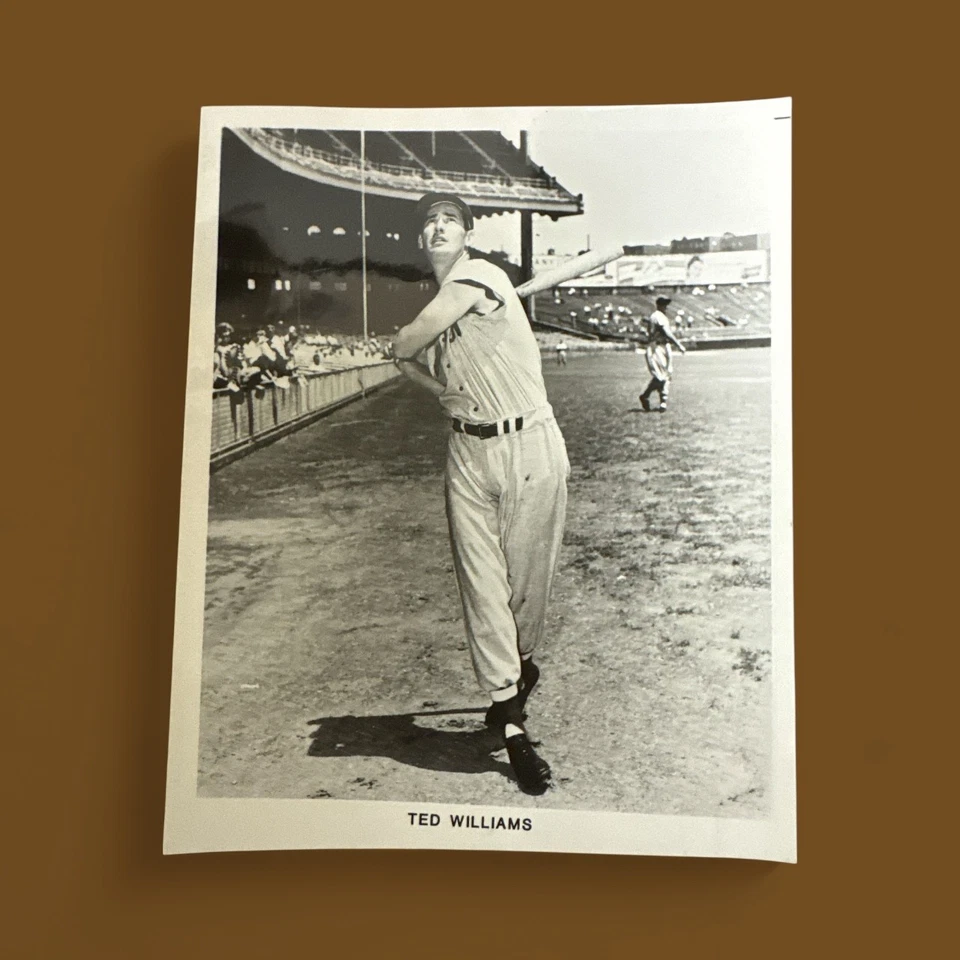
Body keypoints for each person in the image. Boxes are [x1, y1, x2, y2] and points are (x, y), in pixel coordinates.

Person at [392, 193, 570, 796]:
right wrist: (439, 391)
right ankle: (511, 722)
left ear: (467, 235)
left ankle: (517, 676)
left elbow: (404, 338)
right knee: (483, 587)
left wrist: (413, 351)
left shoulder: (480, 276)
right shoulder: (452, 309)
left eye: (450, 220)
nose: (438, 227)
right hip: (467, 452)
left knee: (527, 587)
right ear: (423, 241)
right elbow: (404, 355)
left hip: (531, 444)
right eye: (429, 223)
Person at [640, 296, 686, 412]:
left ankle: (662, 402)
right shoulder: (657, 316)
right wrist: (678, 344)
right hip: (657, 347)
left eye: (666, 304)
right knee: (660, 376)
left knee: (667, 374)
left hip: (664, 346)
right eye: (664, 304)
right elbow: (666, 332)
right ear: (659, 305)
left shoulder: (661, 316)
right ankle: (646, 396)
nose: (666, 307)